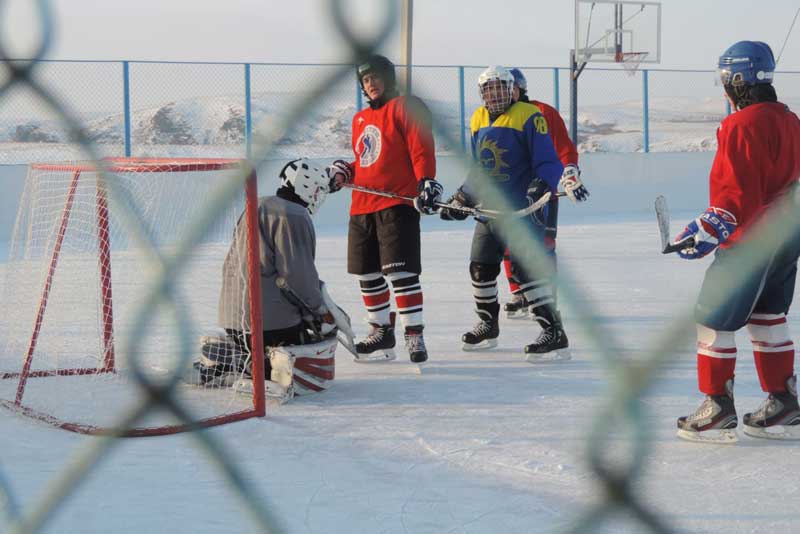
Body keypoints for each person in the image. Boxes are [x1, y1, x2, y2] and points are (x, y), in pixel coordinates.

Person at [672, 41, 800, 443]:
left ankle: (717, 408)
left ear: (738, 79)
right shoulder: (791, 120)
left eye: (726, 79)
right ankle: (784, 404)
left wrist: (711, 227)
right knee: (768, 317)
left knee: (712, 320)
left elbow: (736, 193)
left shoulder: (740, 124)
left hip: (750, 241)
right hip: (787, 236)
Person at [185, 158, 338, 403]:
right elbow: (296, 275)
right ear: (307, 186)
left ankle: (233, 361)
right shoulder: (295, 214)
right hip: (267, 321)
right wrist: (319, 312)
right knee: (312, 335)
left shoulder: (256, 203)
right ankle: (269, 367)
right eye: (319, 190)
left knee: (258, 337)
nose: (319, 196)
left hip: (233, 318)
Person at [439, 65, 564, 354]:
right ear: (482, 93)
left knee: (526, 271)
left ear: (512, 90)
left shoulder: (529, 116)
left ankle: (553, 331)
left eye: (500, 88)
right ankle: (487, 325)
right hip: (489, 211)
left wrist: (540, 186)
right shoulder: (477, 118)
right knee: (480, 267)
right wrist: (461, 199)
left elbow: (549, 161)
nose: (494, 95)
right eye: (489, 89)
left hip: (521, 210)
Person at [327, 54, 441, 364]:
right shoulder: (360, 119)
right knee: (367, 274)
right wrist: (345, 171)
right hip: (362, 207)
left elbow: (421, 148)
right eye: (365, 80)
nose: (371, 83)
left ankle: (413, 333)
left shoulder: (406, 107)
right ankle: (381, 332)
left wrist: (426, 181)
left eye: (376, 77)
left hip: (396, 203)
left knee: (401, 273)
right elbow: (367, 160)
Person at [499, 67, 589, 359]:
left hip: (540, 194)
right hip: (510, 193)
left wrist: (570, 174)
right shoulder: (498, 116)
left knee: (543, 247)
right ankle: (521, 293)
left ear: (519, 88)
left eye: (509, 87)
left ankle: (549, 302)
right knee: (510, 245)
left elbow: (563, 149)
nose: (504, 93)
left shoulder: (542, 112)